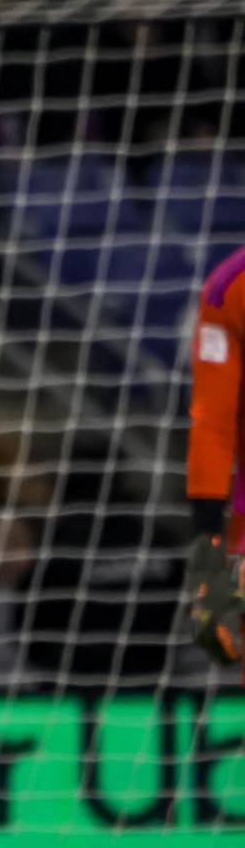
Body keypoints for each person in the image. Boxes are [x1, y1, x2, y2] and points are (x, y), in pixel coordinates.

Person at [185, 243, 245, 668]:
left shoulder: (230, 283)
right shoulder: (230, 285)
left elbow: (212, 424)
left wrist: (210, 552)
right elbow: (213, 425)